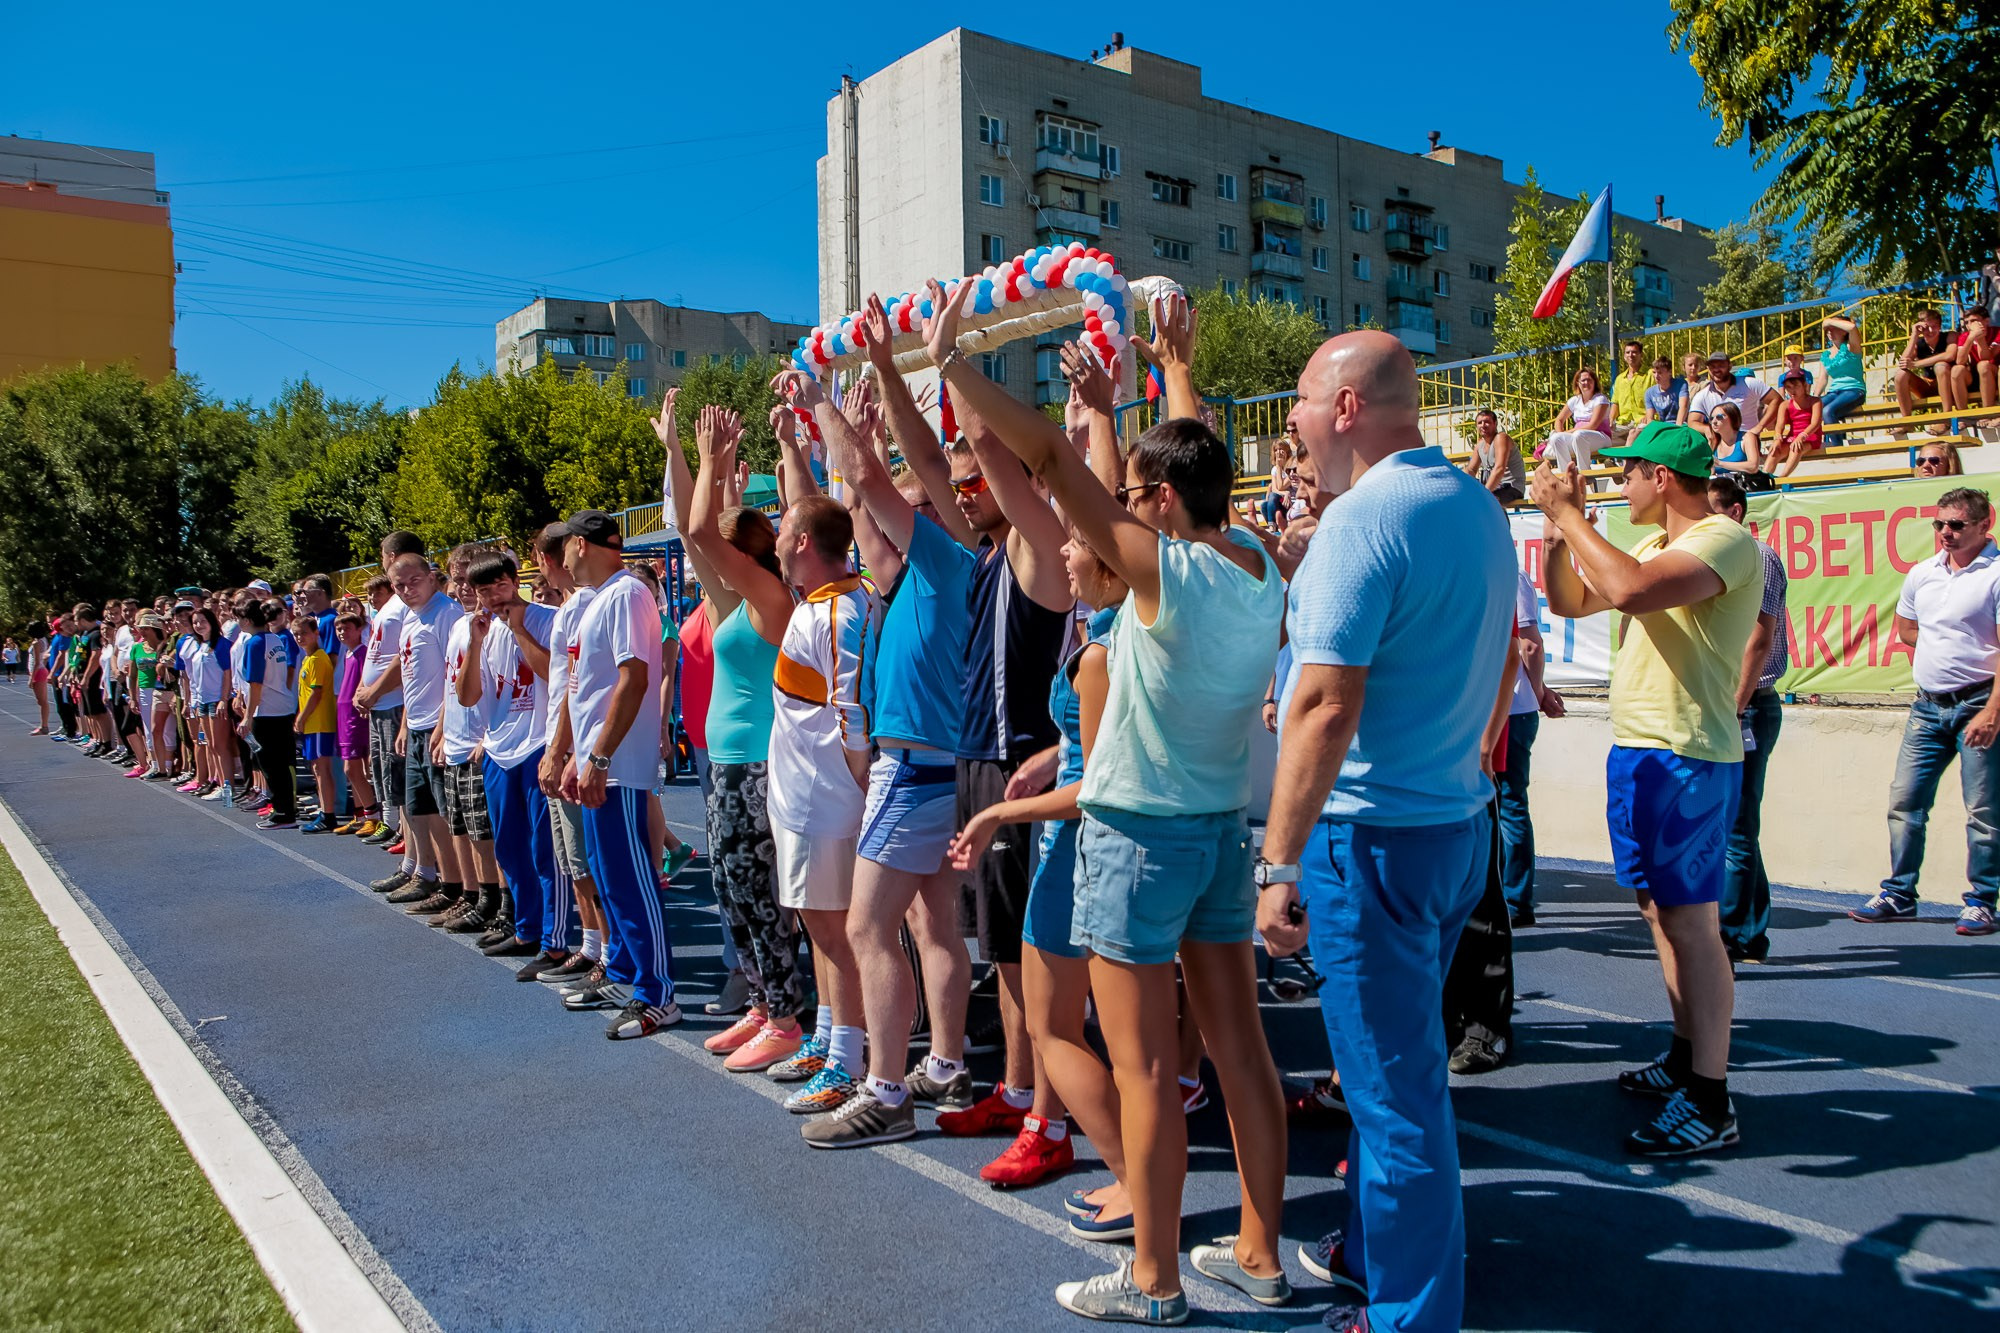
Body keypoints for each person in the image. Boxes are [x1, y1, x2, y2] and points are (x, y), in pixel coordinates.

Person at [934, 282, 1290, 1323]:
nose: (1122, 506)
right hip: (1216, 834)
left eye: (1135, 495)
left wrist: (957, 371)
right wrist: (1168, 373)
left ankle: (1154, 1280)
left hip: (1136, 841)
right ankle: (1258, 1257)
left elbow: (1044, 460)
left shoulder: (1162, 573)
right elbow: (1195, 463)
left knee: (1138, 1068)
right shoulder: (1258, 563)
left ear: (1162, 508)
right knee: (1238, 1052)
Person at [1256, 330, 1515, 1333]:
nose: (1290, 431)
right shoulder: (1472, 507)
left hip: (1372, 841)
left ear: (1347, 407)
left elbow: (1322, 705)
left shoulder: (1363, 521)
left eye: (1299, 410)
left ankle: (1408, 1314)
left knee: (1395, 1092)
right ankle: (1370, 1252)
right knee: (1385, 1080)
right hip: (1449, 823)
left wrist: (1277, 861)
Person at [1533, 420, 1763, 1156]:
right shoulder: (1657, 545)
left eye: (1629, 473)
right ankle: (1686, 1055)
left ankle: (1711, 1095)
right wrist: (1562, 532)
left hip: (1688, 755)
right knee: (1661, 915)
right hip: (1641, 751)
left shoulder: (1723, 538)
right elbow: (1570, 602)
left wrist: (1570, 514)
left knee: (1692, 925)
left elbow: (1629, 594)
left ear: (1662, 478)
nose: (1618, 482)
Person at [684, 405, 811, 1071]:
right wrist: (717, 469)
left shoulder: (770, 599)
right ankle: (763, 1002)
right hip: (730, 765)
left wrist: (712, 460)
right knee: (731, 885)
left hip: (758, 765)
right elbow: (697, 530)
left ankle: (786, 1015)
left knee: (760, 890)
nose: (708, 561)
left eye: (721, 553)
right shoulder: (733, 602)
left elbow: (696, 528)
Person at [1852, 486, 2000, 937]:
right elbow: (1908, 628)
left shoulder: (1995, 575)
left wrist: (1992, 710)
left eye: (1956, 524)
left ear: (1984, 524)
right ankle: (1899, 893)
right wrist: (1943, 650)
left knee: (1983, 810)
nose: (1945, 533)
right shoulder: (1923, 573)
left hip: (1980, 702)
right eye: (1939, 524)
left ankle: (1983, 901)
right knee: (1905, 802)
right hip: (1928, 706)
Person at [560, 509, 681, 1037]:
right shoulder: (600, 600)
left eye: (565, 544)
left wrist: (601, 757)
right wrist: (577, 755)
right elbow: (589, 691)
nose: (560, 556)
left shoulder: (627, 593)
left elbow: (634, 678)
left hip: (621, 769)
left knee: (632, 883)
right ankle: (630, 972)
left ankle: (659, 995)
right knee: (610, 880)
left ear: (582, 545)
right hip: (600, 764)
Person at [464, 548, 568, 973]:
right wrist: (474, 643)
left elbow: (553, 675)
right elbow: (469, 696)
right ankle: (526, 928)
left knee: (546, 851)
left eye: (501, 587)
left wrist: (519, 628)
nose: (493, 598)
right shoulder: (482, 631)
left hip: (538, 747)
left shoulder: (545, 618)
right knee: (509, 849)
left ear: (516, 581)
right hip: (499, 750)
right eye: (484, 591)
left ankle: (555, 939)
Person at [1707, 477, 1789, 963]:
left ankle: (1734, 934)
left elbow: (1760, 640)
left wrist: (1735, 706)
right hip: (1729, 702)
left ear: (1736, 512)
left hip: (1749, 704)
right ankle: (1751, 931)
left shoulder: (1759, 557)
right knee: (1734, 823)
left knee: (1737, 824)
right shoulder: (1717, 555)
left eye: (1714, 512)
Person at [387, 550, 465, 914]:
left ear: (432, 577)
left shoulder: (446, 615)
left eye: (413, 581)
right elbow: (410, 678)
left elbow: (455, 676)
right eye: (398, 585)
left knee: (447, 813)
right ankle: (436, 877)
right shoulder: (409, 618)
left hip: (438, 729)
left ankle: (461, 885)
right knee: (421, 810)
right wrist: (404, 723)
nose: (406, 590)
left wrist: (441, 727)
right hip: (416, 727)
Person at [430, 549, 503, 937]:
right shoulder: (460, 625)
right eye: (456, 580)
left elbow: (501, 687)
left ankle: (493, 900)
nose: (461, 588)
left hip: (480, 742)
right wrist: (442, 730)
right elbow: (451, 685)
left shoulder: (493, 626)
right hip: (456, 740)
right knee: (459, 823)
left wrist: (487, 735)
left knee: (483, 830)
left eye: (468, 580)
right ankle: (472, 893)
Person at [355, 532, 427, 871]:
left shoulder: (406, 605)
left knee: (405, 786)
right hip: (383, 704)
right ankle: (411, 862)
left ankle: (419, 863)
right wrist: (363, 688)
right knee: (394, 785)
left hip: (396, 704)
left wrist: (374, 691)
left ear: (393, 554)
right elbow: (378, 653)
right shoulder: (396, 603)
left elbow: (404, 657)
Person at [1499, 570, 1564, 928]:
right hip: (1510, 707)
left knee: (1504, 805)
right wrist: (1538, 692)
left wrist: (1538, 692)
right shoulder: (1505, 571)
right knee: (1507, 804)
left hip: (1505, 709)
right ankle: (1512, 898)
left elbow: (1529, 645)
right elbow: (1528, 646)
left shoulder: (1508, 574)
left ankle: (1513, 899)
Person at [236, 598, 301, 831]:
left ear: (247, 620)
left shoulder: (255, 643)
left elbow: (256, 684)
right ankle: (284, 809)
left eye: (239, 619)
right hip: (283, 706)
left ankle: (284, 812)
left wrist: (247, 716)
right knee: (281, 763)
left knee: (271, 764)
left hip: (267, 711)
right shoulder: (276, 639)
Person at [330, 612, 382, 834]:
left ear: (360, 629)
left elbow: (365, 684)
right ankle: (360, 814)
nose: (342, 633)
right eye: (339, 629)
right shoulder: (348, 654)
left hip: (355, 717)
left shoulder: (363, 653)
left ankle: (373, 815)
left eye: (347, 628)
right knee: (350, 767)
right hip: (344, 715)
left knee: (353, 767)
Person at [292, 616, 339, 833]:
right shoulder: (308, 659)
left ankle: (328, 814)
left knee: (322, 769)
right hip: (312, 722)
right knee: (316, 768)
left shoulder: (319, 659)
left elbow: (316, 693)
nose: (300, 638)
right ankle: (324, 809)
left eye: (304, 633)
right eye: (296, 634)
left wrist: (302, 717)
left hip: (319, 721)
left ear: (316, 633)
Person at [1688, 351, 1769, 466]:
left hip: (1746, 442)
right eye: (1712, 366)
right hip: (1720, 443)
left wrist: (1760, 427)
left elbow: (1777, 402)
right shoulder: (1702, 395)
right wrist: (1707, 429)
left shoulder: (1748, 384)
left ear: (1730, 366)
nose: (1716, 369)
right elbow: (1692, 422)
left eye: (1721, 365)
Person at [1894, 308, 1959, 435]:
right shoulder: (1919, 343)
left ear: (1940, 326)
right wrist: (1914, 335)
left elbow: (1950, 355)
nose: (1930, 331)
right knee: (1901, 374)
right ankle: (1907, 422)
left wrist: (1917, 364)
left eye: (1934, 326)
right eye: (1926, 327)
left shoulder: (1950, 336)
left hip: (1950, 383)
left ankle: (1946, 418)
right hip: (1928, 385)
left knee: (1940, 366)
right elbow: (1903, 362)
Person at [1816, 316, 1867, 447]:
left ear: (1843, 331)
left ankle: (1837, 447)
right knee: (1814, 408)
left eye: (1834, 329)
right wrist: (1813, 398)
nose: (1829, 332)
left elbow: (1852, 327)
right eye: (1827, 330)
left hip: (1854, 390)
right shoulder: (1826, 354)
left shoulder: (1852, 347)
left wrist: (1828, 321)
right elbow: (1822, 379)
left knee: (1827, 411)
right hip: (1834, 392)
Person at [1770, 370, 1825, 480]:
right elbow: (1779, 425)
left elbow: (1815, 423)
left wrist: (1802, 435)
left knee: (1796, 448)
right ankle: (1764, 478)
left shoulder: (1815, 401)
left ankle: (1782, 478)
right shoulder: (1785, 404)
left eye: (1795, 386)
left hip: (1810, 437)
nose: (1792, 391)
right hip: (1793, 437)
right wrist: (1777, 437)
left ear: (1804, 385)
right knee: (1775, 451)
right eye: (1788, 387)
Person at [1467, 408, 1526, 503]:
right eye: (1479, 423)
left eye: (1487, 422)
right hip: (1494, 488)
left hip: (1511, 487)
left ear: (1495, 424)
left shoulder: (1501, 438)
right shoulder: (1480, 445)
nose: (1483, 425)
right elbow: (1471, 470)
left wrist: (1484, 493)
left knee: (1488, 502)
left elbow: (1499, 468)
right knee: (1470, 500)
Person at [1951, 306, 1997, 417]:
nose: (1970, 325)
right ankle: (1964, 415)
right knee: (1957, 370)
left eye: (1974, 321)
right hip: (1975, 376)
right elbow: (1960, 361)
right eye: (1967, 322)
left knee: (1983, 366)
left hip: (1994, 374)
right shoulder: (1965, 336)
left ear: (1986, 321)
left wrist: (1980, 339)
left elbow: (1987, 357)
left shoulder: (1997, 332)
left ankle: (1987, 413)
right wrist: (1971, 338)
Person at [1610, 338, 1650, 439]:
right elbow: (1615, 403)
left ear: (1641, 355)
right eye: (1627, 352)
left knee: (1635, 436)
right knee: (1603, 438)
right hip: (1623, 424)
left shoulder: (1650, 375)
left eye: (1634, 352)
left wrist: (1648, 416)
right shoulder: (1620, 379)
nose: (1630, 355)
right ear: (1624, 356)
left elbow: (1657, 398)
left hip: (1642, 422)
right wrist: (1611, 419)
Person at [1644, 355, 1685, 425]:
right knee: (1634, 432)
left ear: (1670, 372)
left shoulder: (1681, 384)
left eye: (1660, 373)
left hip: (1680, 424)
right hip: (1662, 425)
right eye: (1654, 372)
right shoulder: (1649, 392)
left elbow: (1683, 407)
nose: (1656, 376)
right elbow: (1650, 419)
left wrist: (1677, 428)